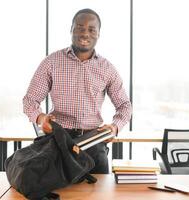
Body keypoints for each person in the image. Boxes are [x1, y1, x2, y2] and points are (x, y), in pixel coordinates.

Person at [23, 8, 132, 174]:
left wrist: (115, 127)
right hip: (58, 140)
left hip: (93, 142)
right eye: (80, 28)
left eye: (91, 29)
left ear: (98, 34)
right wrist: (40, 118)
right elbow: (30, 100)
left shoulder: (107, 68)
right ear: (71, 30)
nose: (85, 34)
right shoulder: (52, 62)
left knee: (98, 194)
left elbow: (125, 105)